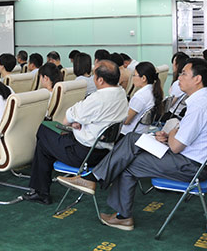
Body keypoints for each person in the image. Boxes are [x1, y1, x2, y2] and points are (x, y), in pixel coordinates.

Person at [58, 58, 207, 231]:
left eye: (184, 74)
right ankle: (96, 183)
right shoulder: (205, 100)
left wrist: (172, 134)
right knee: (132, 139)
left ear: (197, 79)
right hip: (193, 160)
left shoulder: (200, 106)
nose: (179, 77)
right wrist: (170, 135)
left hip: (191, 166)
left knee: (127, 161)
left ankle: (115, 206)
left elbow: (176, 146)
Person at [22, 60, 128, 204]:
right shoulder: (121, 93)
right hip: (105, 153)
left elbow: (66, 119)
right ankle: (40, 190)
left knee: (44, 130)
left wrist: (75, 121)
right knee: (45, 145)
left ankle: (41, 192)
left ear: (100, 80)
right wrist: (80, 121)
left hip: (82, 154)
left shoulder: (98, 98)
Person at [120, 61, 164, 135]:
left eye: (134, 75)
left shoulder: (140, 96)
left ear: (143, 78)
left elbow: (126, 121)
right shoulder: (153, 91)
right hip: (142, 132)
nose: (133, 78)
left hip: (128, 135)